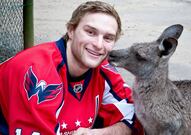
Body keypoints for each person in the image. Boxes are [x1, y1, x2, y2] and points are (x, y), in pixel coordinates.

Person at [0, 1, 144, 135]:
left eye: (108, 38)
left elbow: (138, 118)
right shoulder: (39, 72)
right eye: (90, 32)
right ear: (71, 30)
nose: (99, 45)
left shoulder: (104, 69)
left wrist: (97, 133)